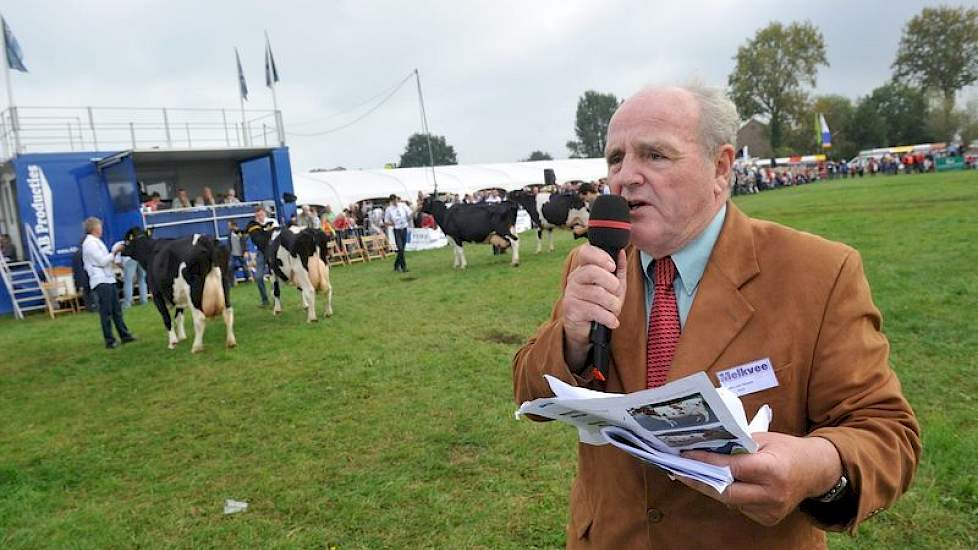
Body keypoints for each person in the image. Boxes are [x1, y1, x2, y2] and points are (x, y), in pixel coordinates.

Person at [512, 84, 920, 549]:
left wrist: (818, 466)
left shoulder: (820, 273)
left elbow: (887, 433)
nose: (625, 177)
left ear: (721, 168)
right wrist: (571, 339)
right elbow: (528, 393)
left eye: (655, 156)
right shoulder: (596, 265)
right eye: (615, 158)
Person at [81, 217, 135, 348]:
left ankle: (124, 335)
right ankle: (109, 340)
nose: (101, 229)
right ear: (94, 228)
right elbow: (102, 261)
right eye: (99, 226)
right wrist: (115, 251)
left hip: (107, 278)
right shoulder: (90, 244)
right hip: (100, 280)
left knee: (116, 309)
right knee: (106, 312)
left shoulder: (96, 241)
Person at [251, 206, 278, 306]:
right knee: (258, 277)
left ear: (264, 213)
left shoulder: (272, 221)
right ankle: (264, 300)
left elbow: (275, 235)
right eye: (257, 215)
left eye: (261, 214)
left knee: (273, 275)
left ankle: (276, 297)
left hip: (271, 250)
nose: (260, 217)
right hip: (260, 252)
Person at [384, 194, 412, 273]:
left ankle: (396, 265)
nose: (395, 202)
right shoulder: (389, 209)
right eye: (393, 201)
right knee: (400, 248)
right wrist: (392, 224)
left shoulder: (403, 205)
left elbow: (409, 214)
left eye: (395, 200)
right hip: (397, 230)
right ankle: (404, 267)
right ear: (391, 201)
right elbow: (386, 221)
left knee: (402, 249)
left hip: (404, 228)